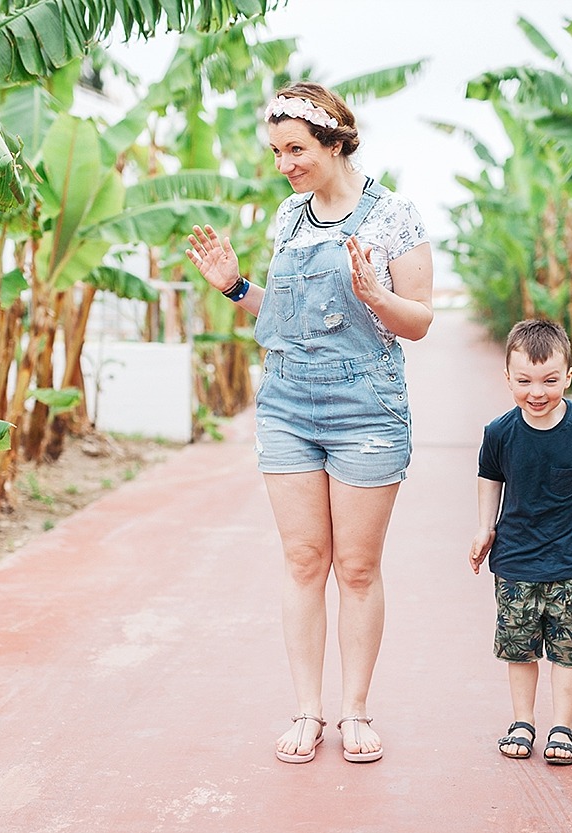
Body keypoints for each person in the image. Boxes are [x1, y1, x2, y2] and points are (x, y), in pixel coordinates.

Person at [186, 81, 433, 764]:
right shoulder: (289, 218)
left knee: (355, 568)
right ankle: (307, 709)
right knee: (303, 560)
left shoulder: (395, 215)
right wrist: (237, 287)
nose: (284, 163)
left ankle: (354, 708)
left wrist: (377, 293)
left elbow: (419, 318)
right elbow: (283, 317)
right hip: (289, 403)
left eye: (295, 148)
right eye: (276, 151)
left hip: (366, 408)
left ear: (335, 140)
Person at [468, 319, 572, 765]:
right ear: (508, 378)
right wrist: (485, 528)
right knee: (519, 649)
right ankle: (523, 721)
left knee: (568, 650)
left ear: (569, 376)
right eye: (523, 381)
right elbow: (490, 477)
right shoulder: (499, 432)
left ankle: (564, 727)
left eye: (550, 380)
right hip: (516, 561)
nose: (536, 392)